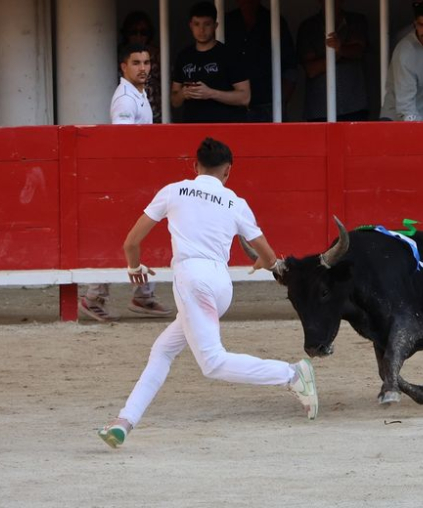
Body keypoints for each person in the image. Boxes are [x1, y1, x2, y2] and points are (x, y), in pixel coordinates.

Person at [97, 137, 319, 449]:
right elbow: (269, 257)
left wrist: (135, 268)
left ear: (194, 165)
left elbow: (131, 243)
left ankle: (291, 373)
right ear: (228, 171)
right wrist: (262, 261)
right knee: (163, 350)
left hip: (193, 280)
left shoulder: (173, 191)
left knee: (212, 362)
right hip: (220, 285)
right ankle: (124, 422)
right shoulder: (235, 202)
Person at [79, 44, 173, 322]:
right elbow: (124, 145)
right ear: (123, 66)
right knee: (125, 236)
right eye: (136, 63)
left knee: (139, 234)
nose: (143, 68)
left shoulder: (138, 95)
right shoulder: (125, 100)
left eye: (146, 62)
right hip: (129, 180)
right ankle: (94, 296)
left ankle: (142, 294)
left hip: (136, 179)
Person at [171, 2, 251, 123]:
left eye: (207, 24)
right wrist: (183, 93)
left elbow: (245, 97)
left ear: (215, 26)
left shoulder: (230, 55)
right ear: (191, 25)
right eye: (197, 24)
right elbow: (174, 100)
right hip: (192, 128)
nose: (201, 30)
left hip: (225, 127)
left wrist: (211, 93)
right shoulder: (184, 56)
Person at [225, 0, 299, 122]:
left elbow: (290, 67)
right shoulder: (227, 22)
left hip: (268, 105)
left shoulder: (274, 21)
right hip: (233, 106)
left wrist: (280, 102)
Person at [297, 0, 369, 122]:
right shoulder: (308, 27)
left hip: (354, 106)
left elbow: (358, 51)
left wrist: (339, 49)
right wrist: (338, 53)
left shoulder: (356, 21)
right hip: (319, 109)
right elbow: (311, 70)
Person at [119, 11, 162, 123]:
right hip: (130, 109)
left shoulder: (158, 55)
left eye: (143, 32)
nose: (139, 36)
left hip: (156, 113)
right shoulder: (120, 56)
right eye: (134, 32)